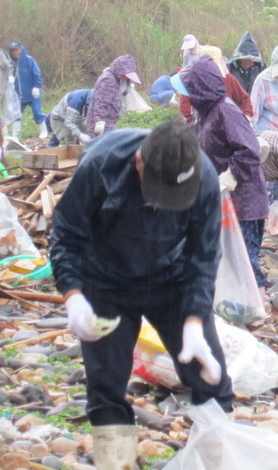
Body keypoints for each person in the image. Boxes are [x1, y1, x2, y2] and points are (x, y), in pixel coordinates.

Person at [50, 122, 235, 469]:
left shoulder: (204, 177)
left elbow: (204, 255)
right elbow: (66, 234)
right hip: (105, 279)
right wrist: (74, 297)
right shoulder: (101, 164)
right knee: (106, 384)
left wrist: (195, 321)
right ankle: (115, 461)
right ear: (139, 163)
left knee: (210, 375)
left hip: (171, 279)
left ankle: (216, 458)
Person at [176, 55, 270, 301]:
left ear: (202, 88)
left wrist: (230, 175)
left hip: (246, 199)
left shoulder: (226, 111)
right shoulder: (205, 113)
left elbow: (249, 150)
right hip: (224, 199)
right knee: (224, 254)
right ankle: (233, 301)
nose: (187, 97)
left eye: (190, 90)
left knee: (245, 255)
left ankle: (256, 306)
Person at [86, 55, 142, 136]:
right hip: (103, 122)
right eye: (125, 75)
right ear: (120, 71)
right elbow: (101, 102)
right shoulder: (108, 80)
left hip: (111, 122)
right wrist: (99, 121)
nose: (126, 77)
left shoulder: (119, 80)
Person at [8, 42, 46, 139]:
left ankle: (44, 131)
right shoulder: (11, 63)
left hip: (32, 93)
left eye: (16, 50)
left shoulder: (29, 60)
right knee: (16, 114)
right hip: (18, 95)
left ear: (20, 49)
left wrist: (37, 86)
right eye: (12, 51)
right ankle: (15, 134)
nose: (14, 53)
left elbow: (37, 74)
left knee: (37, 112)